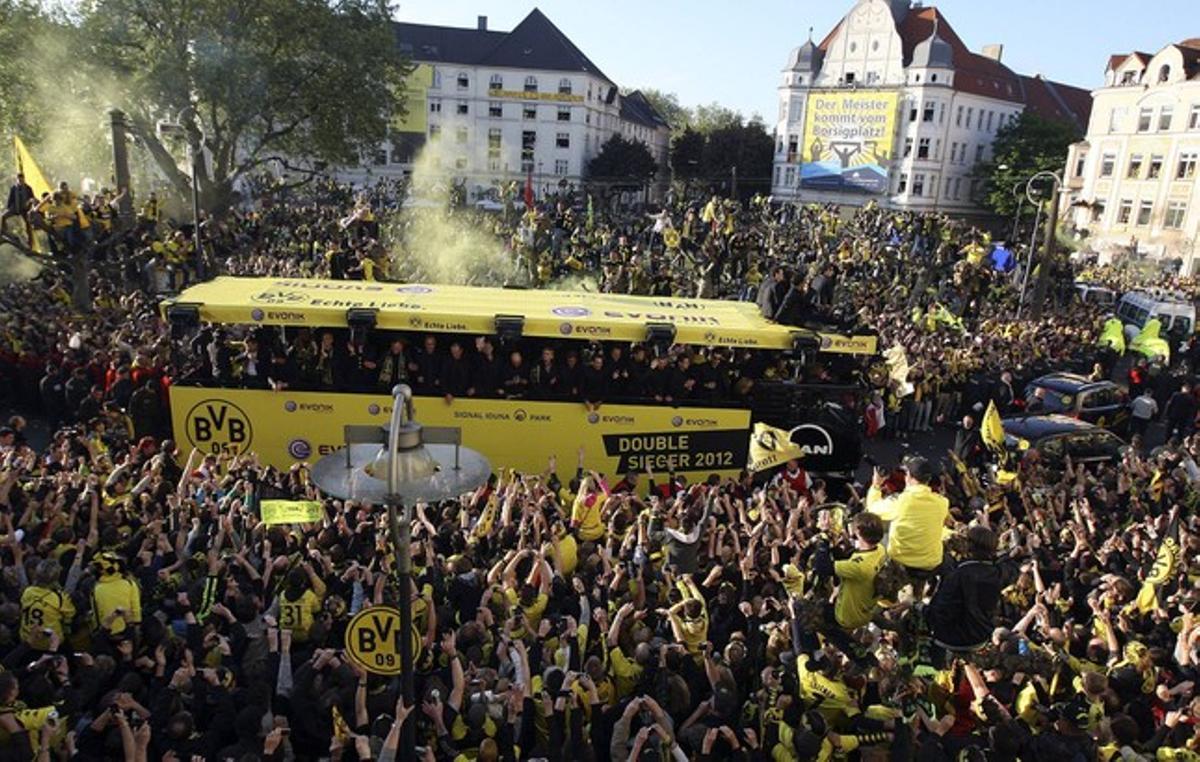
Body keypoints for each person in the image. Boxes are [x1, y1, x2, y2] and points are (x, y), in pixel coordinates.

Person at [867, 457, 950, 586]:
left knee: (880, 535)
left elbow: (872, 509)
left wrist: (876, 486)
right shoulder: (942, 503)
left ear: (909, 477)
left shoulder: (900, 501)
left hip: (902, 562)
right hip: (930, 564)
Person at [925, 525, 1002, 662]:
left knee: (908, 609)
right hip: (981, 635)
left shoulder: (959, 575)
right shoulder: (995, 572)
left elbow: (940, 612)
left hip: (953, 639)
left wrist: (920, 607)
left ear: (970, 546)